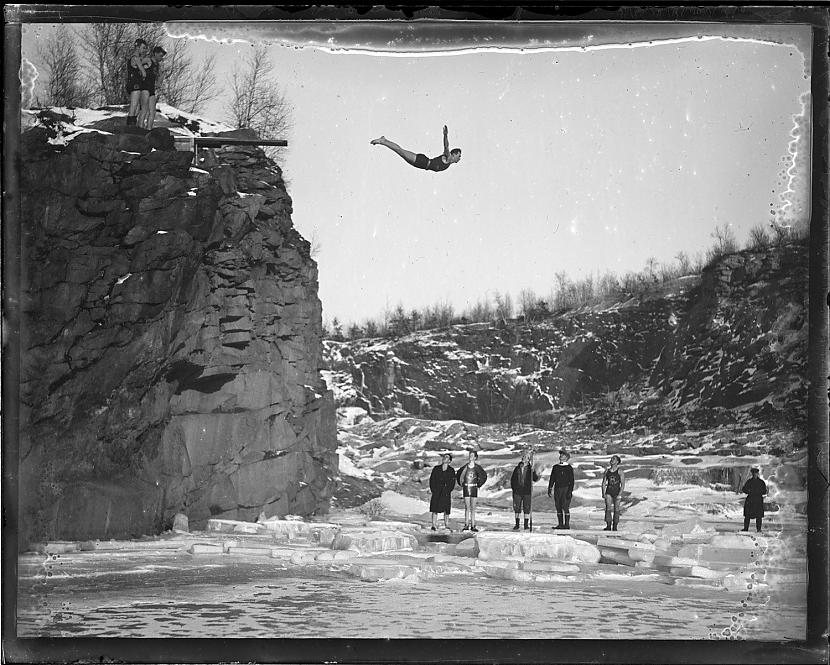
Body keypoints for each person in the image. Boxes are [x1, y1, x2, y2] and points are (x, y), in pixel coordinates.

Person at [371, 125, 461, 172]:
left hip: (423, 163)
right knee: (400, 151)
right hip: (422, 162)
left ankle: (384, 141)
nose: (460, 158)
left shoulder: (449, 163)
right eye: (459, 155)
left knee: (400, 151)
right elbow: (446, 146)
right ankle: (383, 141)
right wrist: (445, 135)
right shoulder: (448, 158)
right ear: (454, 154)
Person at [455, 450, 487, 532]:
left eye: (472, 455)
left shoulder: (477, 467)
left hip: (474, 488)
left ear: (475, 457)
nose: (470, 457)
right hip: (466, 488)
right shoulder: (465, 467)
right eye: (470, 455)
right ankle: (466, 524)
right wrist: (461, 483)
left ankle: (473, 525)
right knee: (467, 507)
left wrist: (479, 484)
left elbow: (484, 476)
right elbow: (459, 475)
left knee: (473, 508)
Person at [138, 46, 166, 131]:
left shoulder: (157, 65)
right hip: (144, 87)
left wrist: (162, 76)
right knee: (144, 109)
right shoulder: (148, 60)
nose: (161, 58)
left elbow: (158, 83)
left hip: (151, 88)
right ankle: (140, 128)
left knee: (152, 111)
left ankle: (149, 128)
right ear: (155, 54)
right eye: (160, 56)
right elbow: (137, 64)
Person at [510, 449, 540, 531]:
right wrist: (514, 488)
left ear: (528, 459)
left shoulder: (530, 469)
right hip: (517, 491)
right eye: (523, 456)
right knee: (517, 508)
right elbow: (513, 479)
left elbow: (535, 479)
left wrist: (533, 471)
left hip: (527, 491)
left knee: (527, 507)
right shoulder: (517, 468)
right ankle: (517, 524)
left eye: (526, 457)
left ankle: (526, 525)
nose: (524, 458)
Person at [548, 449, 575, 530]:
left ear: (566, 458)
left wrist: (570, 491)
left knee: (565, 506)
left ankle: (566, 525)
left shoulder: (569, 468)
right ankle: (560, 524)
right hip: (557, 489)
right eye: (560, 455)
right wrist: (550, 488)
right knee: (558, 506)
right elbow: (552, 478)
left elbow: (572, 481)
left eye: (562, 455)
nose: (560, 456)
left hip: (566, 489)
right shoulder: (555, 467)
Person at [429, 453, 457, 531]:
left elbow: (452, 482)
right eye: (444, 457)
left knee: (446, 509)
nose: (445, 458)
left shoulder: (451, 470)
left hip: (446, 491)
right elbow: (432, 480)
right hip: (437, 490)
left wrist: (448, 490)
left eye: (447, 457)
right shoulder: (436, 468)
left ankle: (446, 524)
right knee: (435, 508)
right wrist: (433, 490)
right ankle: (434, 524)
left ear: (450, 461)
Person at [126, 39, 150, 126]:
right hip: (134, 83)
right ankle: (130, 126)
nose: (144, 50)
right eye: (143, 48)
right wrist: (146, 66)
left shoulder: (136, 58)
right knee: (134, 104)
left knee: (136, 107)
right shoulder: (135, 58)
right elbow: (143, 72)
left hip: (135, 83)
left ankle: (132, 124)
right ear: (137, 47)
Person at [601, 455, 625, 531]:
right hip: (609, 492)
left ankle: (615, 526)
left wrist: (620, 494)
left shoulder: (620, 471)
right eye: (611, 459)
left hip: (617, 492)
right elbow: (604, 483)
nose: (611, 460)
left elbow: (623, 484)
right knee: (608, 508)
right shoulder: (607, 471)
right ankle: (608, 525)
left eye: (613, 459)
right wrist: (603, 493)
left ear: (617, 462)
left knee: (616, 509)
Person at [741, 467, 767, 532]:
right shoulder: (749, 482)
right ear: (752, 474)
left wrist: (758, 492)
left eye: (755, 473)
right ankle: (745, 528)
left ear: (757, 474)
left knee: (759, 516)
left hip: (758, 501)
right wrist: (749, 491)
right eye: (753, 473)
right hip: (750, 500)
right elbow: (744, 489)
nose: (754, 474)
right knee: (747, 515)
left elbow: (764, 491)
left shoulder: (761, 482)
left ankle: (759, 529)